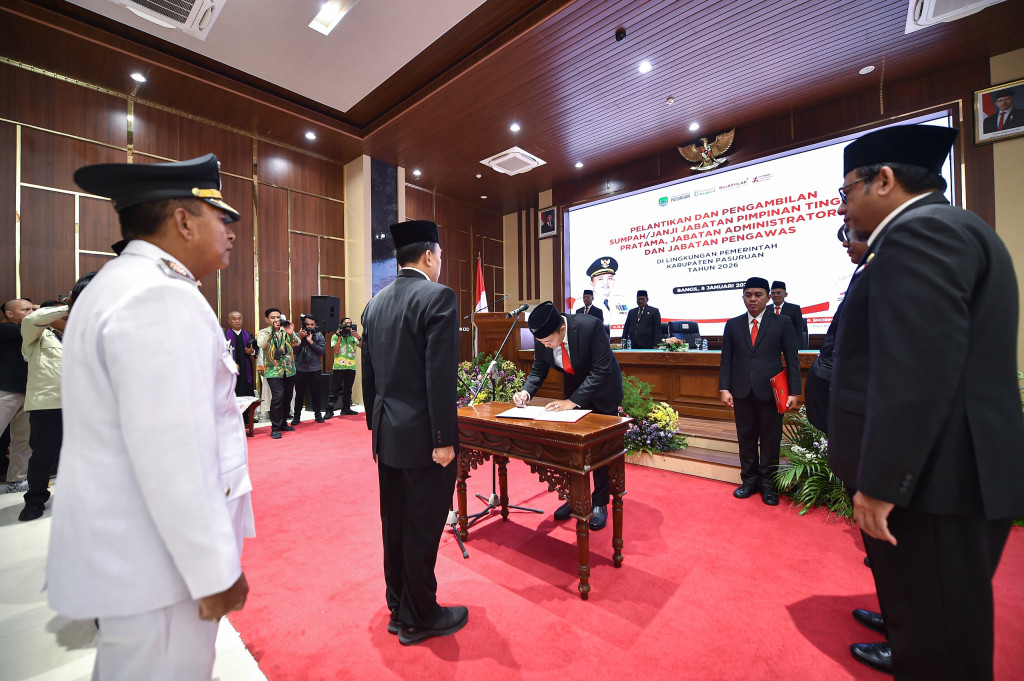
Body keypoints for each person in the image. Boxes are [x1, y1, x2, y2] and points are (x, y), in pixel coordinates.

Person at [826, 124, 1024, 680]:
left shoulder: (921, 234)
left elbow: (916, 371)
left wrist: (881, 481)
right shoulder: (946, 226)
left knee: (941, 647)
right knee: (927, 616)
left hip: (938, 482)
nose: (843, 205)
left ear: (883, 180)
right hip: (944, 475)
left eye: (846, 192)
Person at [47, 153, 253, 681]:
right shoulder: (159, 295)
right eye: (220, 218)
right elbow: (174, 453)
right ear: (183, 221)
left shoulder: (116, 284)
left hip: (136, 552)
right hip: (159, 565)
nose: (230, 232)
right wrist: (214, 571)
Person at [361, 219, 468, 646]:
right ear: (428, 255)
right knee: (423, 526)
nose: (440, 263)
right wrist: (444, 439)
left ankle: (398, 605)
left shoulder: (376, 303)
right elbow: (438, 376)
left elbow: (369, 378)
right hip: (425, 439)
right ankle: (420, 616)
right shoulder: (437, 297)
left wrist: (376, 425)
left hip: (387, 436)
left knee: (395, 524)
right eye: (440, 256)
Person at [513, 301, 623, 530]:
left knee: (599, 449)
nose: (545, 345)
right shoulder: (543, 335)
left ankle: (600, 502)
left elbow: (601, 370)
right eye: (541, 342)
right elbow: (538, 369)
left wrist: (572, 402)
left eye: (548, 341)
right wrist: (526, 392)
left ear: (561, 329)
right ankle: (575, 499)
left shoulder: (590, 326)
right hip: (573, 392)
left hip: (603, 391)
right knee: (572, 449)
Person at [719, 276, 800, 505]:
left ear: (768, 297)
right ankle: (749, 481)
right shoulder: (733, 324)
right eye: (748, 294)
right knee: (745, 437)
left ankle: (768, 485)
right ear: (743, 296)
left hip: (772, 392)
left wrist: (795, 391)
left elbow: (792, 359)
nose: (752, 299)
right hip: (741, 390)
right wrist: (724, 387)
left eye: (758, 294)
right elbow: (726, 359)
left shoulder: (782, 322)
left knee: (770, 439)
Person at [19, 278, 93, 522]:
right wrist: (74, 304)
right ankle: (35, 499)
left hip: (82, 405)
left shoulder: (84, 336)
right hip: (48, 404)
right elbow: (31, 319)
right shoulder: (37, 339)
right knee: (43, 455)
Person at [1, 298, 34, 493]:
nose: (30, 312)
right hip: (5, 391)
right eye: (25, 309)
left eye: (32, 308)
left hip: (28, 392)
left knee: (23, 440)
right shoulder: (5, 330)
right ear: (9, 314)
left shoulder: (32, 330)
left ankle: (17, 480)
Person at [257, 308, 299, 439]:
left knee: (287, 396)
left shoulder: (286, 330)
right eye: (273, 317)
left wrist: (291, 333)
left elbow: (298, 342)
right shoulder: (264, 332)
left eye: (278, 317)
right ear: (267, 320)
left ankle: (283, 423)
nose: (276, 320)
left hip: (289, 369)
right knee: (278, 397)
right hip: (273, 370)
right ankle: (275, 427)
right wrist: (271, 332)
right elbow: (261, 344)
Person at [225, 311, 258, 428]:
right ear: (229, 321)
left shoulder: (248, 335)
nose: (237, 321)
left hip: (245, 370)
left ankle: (246, 420)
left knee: (245, 393)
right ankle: (231, 421)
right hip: (229, 372)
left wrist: (252, 351)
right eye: (234, 319)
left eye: (239, 318)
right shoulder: (224, 335)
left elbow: (256, 350)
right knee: (232, 394)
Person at [292, 314, 326, 424]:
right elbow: (293, 351)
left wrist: (311, 342)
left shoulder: (319, 337)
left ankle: (318, 415)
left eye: (312, 324)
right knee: (299, 394)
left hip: (315, 369)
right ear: (303, 325)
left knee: (316, 393)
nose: (310, 327)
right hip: (300, 369)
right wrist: (300, 338)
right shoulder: (297, 336)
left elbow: (322, 352)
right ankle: (297, 417)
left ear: (315, 325)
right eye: (308, 324)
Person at [326, 316, 360, 417]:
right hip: (339, 366)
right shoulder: (335, 337)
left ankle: (346, 408)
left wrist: (358, 337)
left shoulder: (354, 336)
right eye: (346, 323)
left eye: (350, 323)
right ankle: (329, 410)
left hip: (351, 366)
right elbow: (335, 351)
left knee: (348, 389)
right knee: (335, 389)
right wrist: (339, 336)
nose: (348, 325)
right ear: (341, 325)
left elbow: (363, 346)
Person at [586, 256, 627, 332]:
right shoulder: (582, 304)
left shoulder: (622, 300)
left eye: (610, 278)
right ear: (592, 282)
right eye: (600, 279)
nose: (606, 283)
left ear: (614, 280)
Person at [767, 281, 806, 349]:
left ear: (785, 294)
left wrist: (796, 350)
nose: (775, 295)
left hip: (789, 347)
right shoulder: (766, 309)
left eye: (778, 293)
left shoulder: (794, 309)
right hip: (769, 348)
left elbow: (798, 332)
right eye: (773, 293)